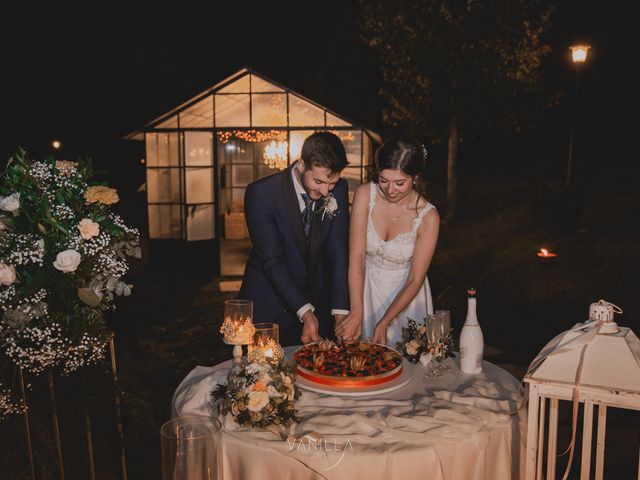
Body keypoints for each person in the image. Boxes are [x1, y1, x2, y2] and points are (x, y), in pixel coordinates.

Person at [239, 132, 350, 346]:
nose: (326, 191)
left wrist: (340, 310)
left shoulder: (340, 190)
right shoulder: (261, 194)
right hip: (270, 303)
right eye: (318, 181)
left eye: (332, 183)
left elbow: (338, 249)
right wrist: (305, 312)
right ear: (301, 165)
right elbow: (272, 261)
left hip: (319, 304)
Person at [335, 137, 439, 346]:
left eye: (400, 183)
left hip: (405, 298)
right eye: (384, 180)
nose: (390, 190)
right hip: (364, 291)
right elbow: (356, 255)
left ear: (415, 177)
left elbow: (415, 279)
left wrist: (385, 322)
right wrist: (356, 310)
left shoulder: (428, 217)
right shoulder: (365, 194)